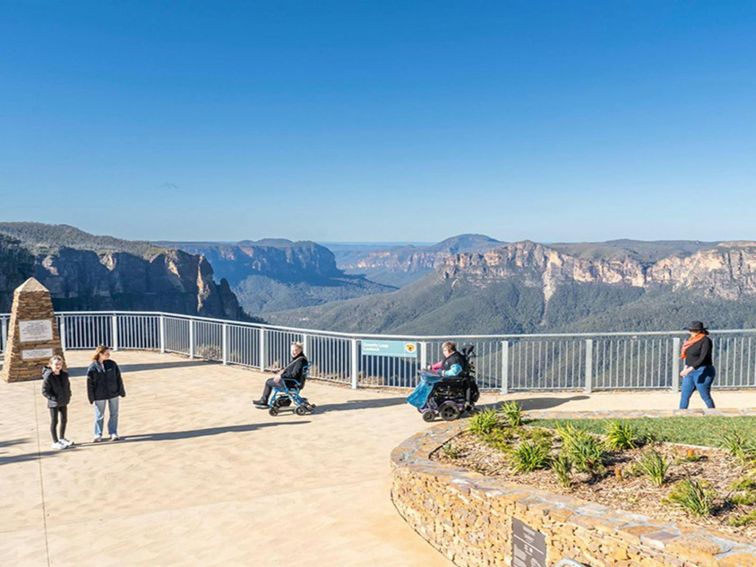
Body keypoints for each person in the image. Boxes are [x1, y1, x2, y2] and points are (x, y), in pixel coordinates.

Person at [87, 345, 126, 441]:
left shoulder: (112, 364)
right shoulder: (92, 367)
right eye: (106, 353)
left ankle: (113, 432)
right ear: (100, 354)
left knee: (114, 413)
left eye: (109, 353)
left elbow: (118, 378)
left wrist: (121, 391)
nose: (109, 355)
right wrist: (91, 397)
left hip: (113, 393)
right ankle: (98, 434)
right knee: (99, 415)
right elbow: (89, 384)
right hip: (99, 395)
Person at [253, 342, 308, 408]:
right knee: (270, 380)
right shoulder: (299, 358)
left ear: (300, 350)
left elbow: (294, 374)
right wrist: (280, 370)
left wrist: (281, 376)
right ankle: (264, 401)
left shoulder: (300, 361)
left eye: (296, 350)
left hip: (290, 382)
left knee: (268, 382)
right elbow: (291, 370)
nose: (293, 352)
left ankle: (263, 401)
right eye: (292, 350)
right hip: (292, 381)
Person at [679, 321, 716, 410]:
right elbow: (689, 356)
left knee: (704, 395)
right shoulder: (690, 341)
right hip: (690, 371)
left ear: (699, 331)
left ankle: (713, 413)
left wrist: (689, 369)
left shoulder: (706, 341)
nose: (691, 332)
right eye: (690, 330)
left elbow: (702, 358)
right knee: (684, 395)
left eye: (693, 330)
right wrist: (686, 367)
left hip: (704, 370)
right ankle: (681, 414)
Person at [42, 355, 74, 450]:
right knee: (54, 421)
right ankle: (55, 442)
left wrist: (68, 394)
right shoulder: (48, 376)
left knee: (64, 420)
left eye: (60, 364)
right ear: (50, 365)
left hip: (63, 401)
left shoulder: (64, 374)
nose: (58, 366)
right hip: (54, 403)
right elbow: (44, 391)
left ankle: (62, 438)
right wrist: (53, 398)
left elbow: (67, 386)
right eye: (56, 364)